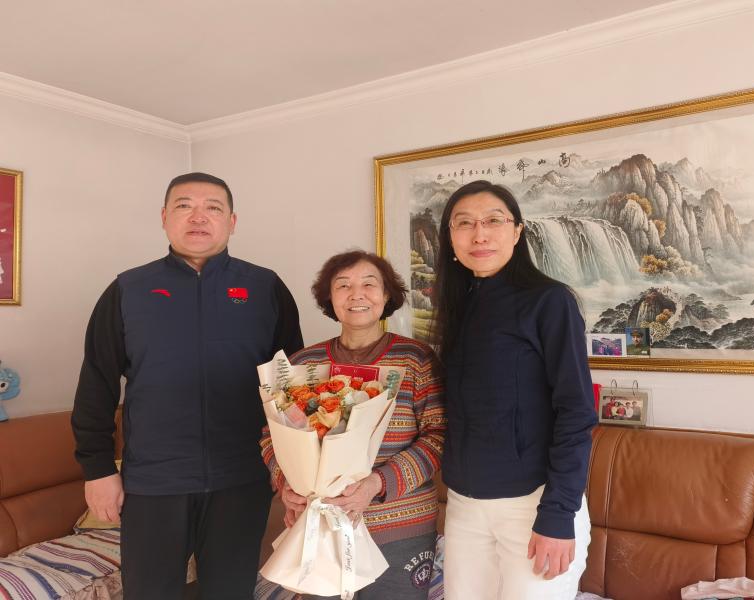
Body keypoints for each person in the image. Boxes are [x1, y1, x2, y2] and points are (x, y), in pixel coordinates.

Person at [71, 172, 303, 600]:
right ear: (164, 217)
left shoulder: (265, 288)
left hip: (242, 476)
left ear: (232, 221)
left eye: (213, 207)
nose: (198, 217)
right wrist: (98, 469)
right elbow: (96, 385)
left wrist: (295, 469)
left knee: (230, 591)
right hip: (154, 480)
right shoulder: (128, 290)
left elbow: (291, 387)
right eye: (184, 206)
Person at [431, 180, 596, 600]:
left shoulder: (550, 301)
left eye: (493, 221)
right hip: (465, 505)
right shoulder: (457, 305)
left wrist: (558, 514)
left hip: (532, 504)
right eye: (464, 223)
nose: (479, 234)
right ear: (450, 237)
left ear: (517, 231)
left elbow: (576, 411)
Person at [260, 250, 446, 600]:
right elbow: (272, 435)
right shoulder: (303, 364)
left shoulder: (416, 359)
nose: (356, 294)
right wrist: (288, 485)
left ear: (387, 295)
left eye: (369, 284)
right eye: (343, 285)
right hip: (321, 528)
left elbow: (438, 436)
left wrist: (377, 483)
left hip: (399, 527)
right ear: (329, 298)